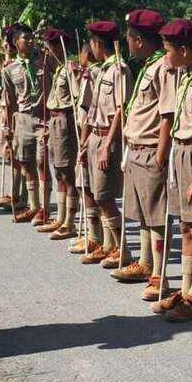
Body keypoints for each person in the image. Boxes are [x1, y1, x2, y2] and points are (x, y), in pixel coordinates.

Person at [150, 18, 192, 322]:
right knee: (184, 226)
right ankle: (186, 289)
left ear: (183, 50)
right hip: (179, 151)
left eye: (168, 50)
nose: (166, 56)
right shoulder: (183, 75)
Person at [111, 10, 176, 302]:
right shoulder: (149, 65)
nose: (127, 42)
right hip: (137, 149)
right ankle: (146, 263)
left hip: (151, 150)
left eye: (129, 37)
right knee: (143, 215)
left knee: (158, 218)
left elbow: (167, 114)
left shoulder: (164, 66)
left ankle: (160, 275)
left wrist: (161, 154)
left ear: (138, 40)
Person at [78, 20, 132, 267]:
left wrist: (107, 145)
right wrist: (87, 140)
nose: (91, 47)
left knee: (104, 197)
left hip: (108, 138)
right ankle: (108, 246)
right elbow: (93, 109)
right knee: (95, 192)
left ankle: (122, 249)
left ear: (98, 43)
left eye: (92, 42)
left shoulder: (120, 70)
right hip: (95, 136)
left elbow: (121, 109)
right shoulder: (102, 70)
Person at [1, 24, 55, 225]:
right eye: (26, 38)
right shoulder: (9, 69)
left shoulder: (45, 60)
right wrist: (8, 128)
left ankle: (45, 209)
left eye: (33, 38)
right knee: (26, 163)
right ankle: (34, 207)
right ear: (16, 42)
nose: (31, 41)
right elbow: (10, 101)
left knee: (42, 162)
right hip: (23, 120)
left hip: (43, 118)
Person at [38, 28, 82, 240]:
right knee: (58, 172)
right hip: (54, 120)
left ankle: (69, 222)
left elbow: (77, 97)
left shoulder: (70, 68)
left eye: (48, 46)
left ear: (56, 47)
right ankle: (61, 218)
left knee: (67, 172)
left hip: (65, 120)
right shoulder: (57, 69)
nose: (45, 51)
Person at [69, 41, 105, 255]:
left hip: (89, 135)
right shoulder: (87, 74)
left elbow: (88, 111)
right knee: (84, 185)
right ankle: (93, 235)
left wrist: (83, 143)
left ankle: (96, 238)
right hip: (86, 133)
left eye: (81, 52)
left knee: (88, 186)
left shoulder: (94, 74)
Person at [0, 26, 27, 211]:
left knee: (19, 156)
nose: (5, 45)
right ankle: (13, 193)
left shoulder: (18, 65)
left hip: (16, 114)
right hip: (5, 111)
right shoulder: (6, 63)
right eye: (3, 41)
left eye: (7, 41)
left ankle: (20, 197)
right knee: (10, 156)